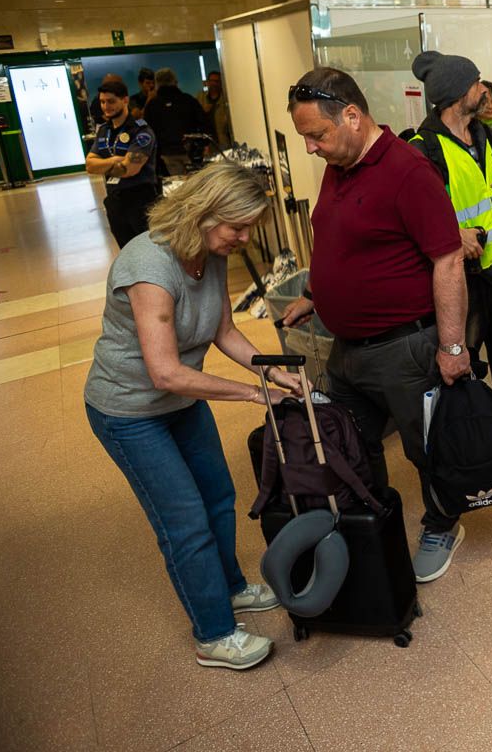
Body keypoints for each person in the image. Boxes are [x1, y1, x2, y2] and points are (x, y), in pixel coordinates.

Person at [83, 161, 304, 670]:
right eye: (238, 226)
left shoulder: (210, 252)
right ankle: (213, 633)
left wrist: (273, 371)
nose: (245, 239)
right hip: (130, 412)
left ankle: (228, 586)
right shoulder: (149, 267)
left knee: (219, 497)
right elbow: (164, 373)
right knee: (185, 520)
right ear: (203, 213)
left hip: (183, 402)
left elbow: (222, 331)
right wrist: (252, 395)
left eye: (251, 226)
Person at [279, 67, 473, 583]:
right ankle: (375, 519)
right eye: (305, 139)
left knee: (425, 445)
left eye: (316, 136)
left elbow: (448, 260)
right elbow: (337, 239)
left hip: (403, 345)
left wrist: (452, 346)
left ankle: (442, 522)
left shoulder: (408, 171)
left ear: (352, 116)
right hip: (348, 347)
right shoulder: (339, 166)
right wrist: (314, 295)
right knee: (350, 441)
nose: (311, 149)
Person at [408, 51, 492, 446]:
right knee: (462, 359)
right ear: (455, 94)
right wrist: (454, 234)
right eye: (475, 83)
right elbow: (415, 217)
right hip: (462, 280)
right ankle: (471, 428)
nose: (483, 88)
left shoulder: (489, 135)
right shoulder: (424, 150)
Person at [85, 73, 161, 249]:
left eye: (111, 101)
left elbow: (129, 170)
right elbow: (89, 165)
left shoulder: (141, 131)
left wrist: (103, 165)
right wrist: (115, 160)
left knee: (149, 252)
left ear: (125, 100)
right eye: (103, 102)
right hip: (115, 201)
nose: (106, 107)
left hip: (140, 200)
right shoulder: (104, 131)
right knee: (127, 253)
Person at [142, 67, 207, 175]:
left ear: (157, 84)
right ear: (175, 82)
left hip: (165, 153)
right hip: (189, 150)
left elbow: (147, 131)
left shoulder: (152, 105)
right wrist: (203, 144)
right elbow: (203, 123)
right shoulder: (188, 100)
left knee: (174, 186)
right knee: (194, 183)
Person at [200, 71, 233, 148]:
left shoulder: (227, 98)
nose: (214, 84)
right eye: (211, 81)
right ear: (207, 82)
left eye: (217, 81)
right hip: (208, 145)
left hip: (225, 143)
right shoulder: (200, 98)